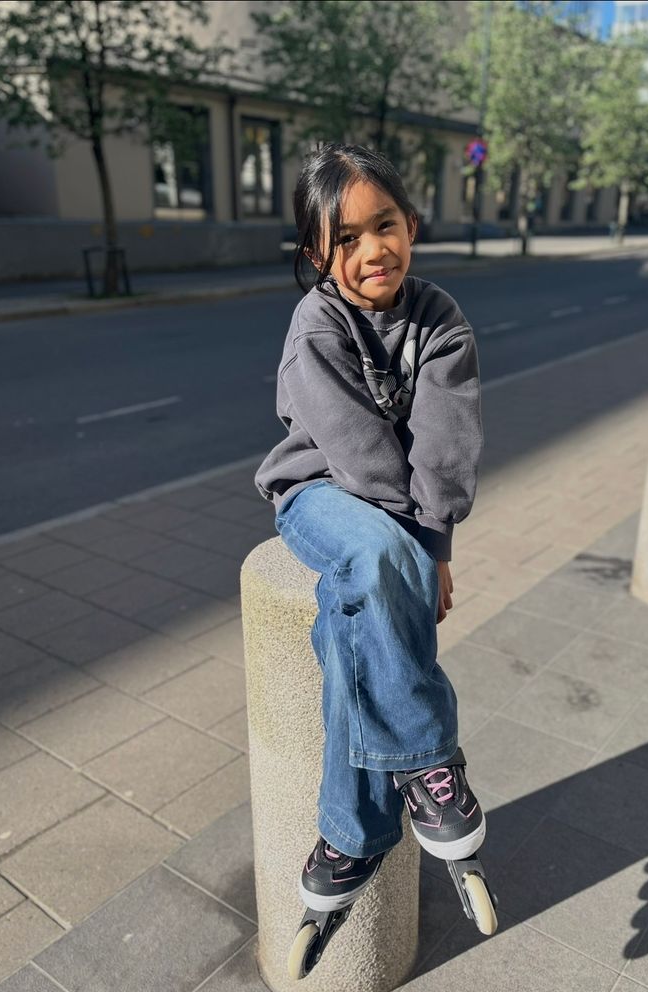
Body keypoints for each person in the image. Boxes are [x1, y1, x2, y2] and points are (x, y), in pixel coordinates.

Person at [254, 143, 489, 947]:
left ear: (412, 224)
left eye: (384, 225)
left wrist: (436, 543)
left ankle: (351, 835)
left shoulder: (440, 319)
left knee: (346, 631)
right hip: (318, 494)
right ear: (317, 253)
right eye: (346, 239)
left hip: (394, 512)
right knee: (381, 560)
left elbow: (445, 446)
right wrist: (414, 555)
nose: (372, 250)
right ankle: (429, 756)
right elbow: (358, 453)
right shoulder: (317, 323)